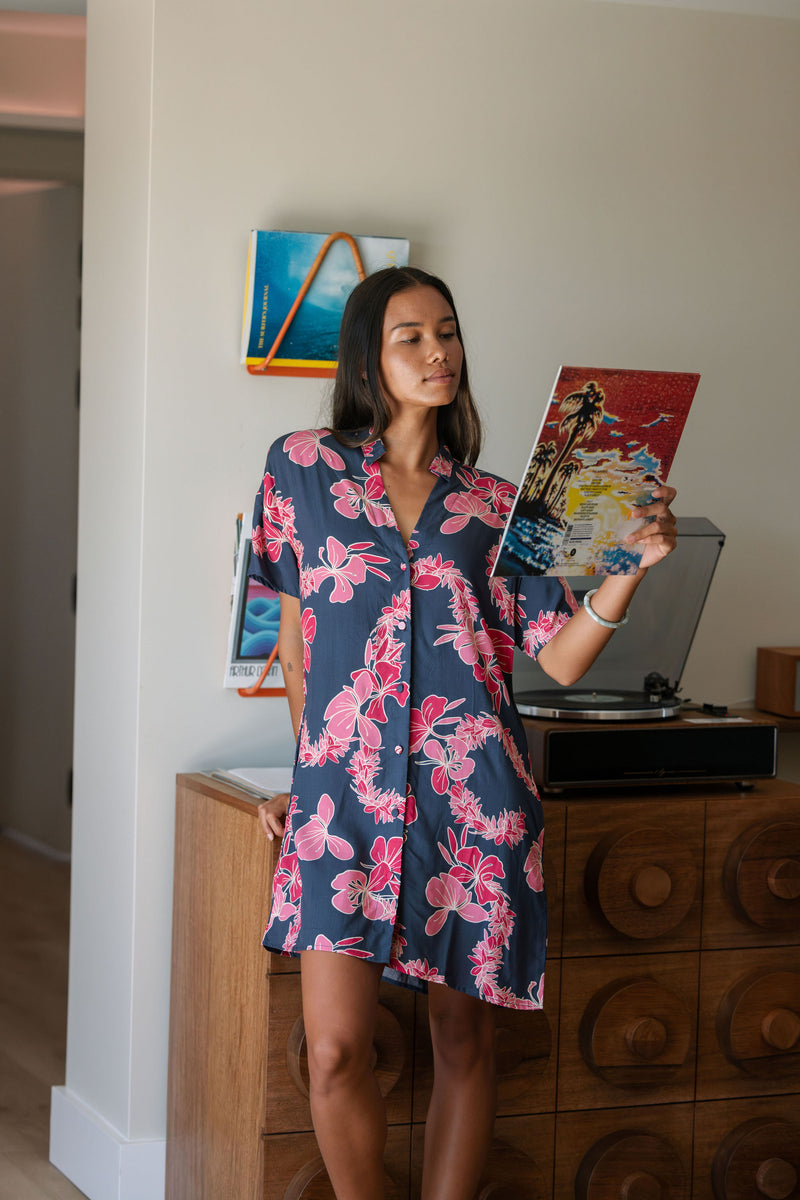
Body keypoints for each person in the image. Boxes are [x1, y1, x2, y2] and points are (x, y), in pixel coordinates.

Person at [249, 267, 677, 1200]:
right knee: (332, 1049)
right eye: (412, 336)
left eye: (447, 332)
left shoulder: (498, 508)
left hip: (476, 795)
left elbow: (559, 658)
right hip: (345, 803)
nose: (439, 352)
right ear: (369, 355)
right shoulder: (300, 468)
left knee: (463, 1038)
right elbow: (293, 641)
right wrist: (310, 777)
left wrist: (629, 569)